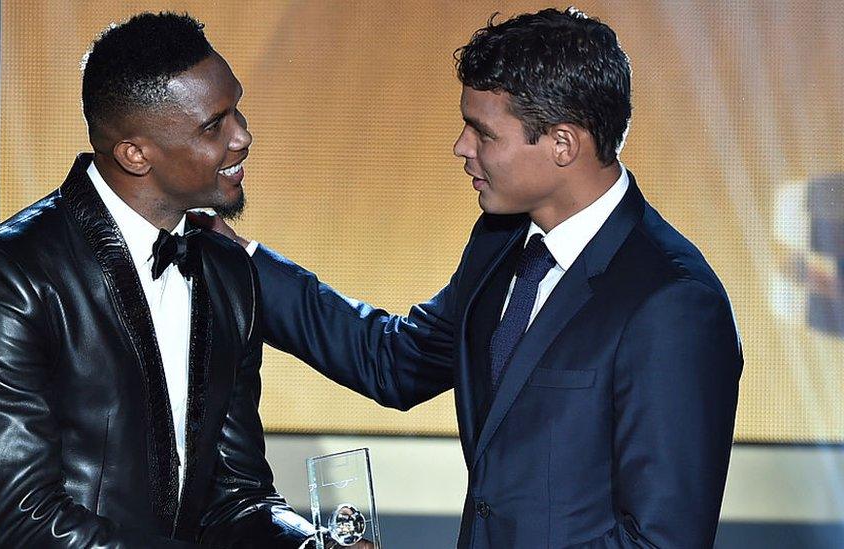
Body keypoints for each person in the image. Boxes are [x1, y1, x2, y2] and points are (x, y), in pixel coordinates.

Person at [215, 8, 742, 548]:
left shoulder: (673, 302)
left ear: (562, 144)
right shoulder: (501, 241)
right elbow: (395, 361)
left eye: (483, 132)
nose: (462, 147)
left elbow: (661, 542)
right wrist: (240, 260)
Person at [0, 12, 314, 548]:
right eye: (214, 125)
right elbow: (26, 521)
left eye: (237, 110)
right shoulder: (4, 280)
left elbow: (239, 495)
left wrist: (309, 544)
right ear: (135, 154)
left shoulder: (228, 275)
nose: (243, 137)